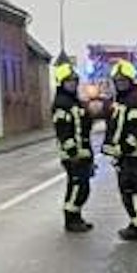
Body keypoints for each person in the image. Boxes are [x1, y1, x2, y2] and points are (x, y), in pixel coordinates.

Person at [103, 60, 137, 241]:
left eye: (124, 81)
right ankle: (136, 222)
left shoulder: (134, 100)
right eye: (118, 81)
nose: (120, 84)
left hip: (131, 156)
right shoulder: (121, 100)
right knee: (128, 191)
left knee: (133, 191)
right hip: (124, 156)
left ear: (131, 81)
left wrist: (124, 148)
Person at [51, 62, 95, 233]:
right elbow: (63, 132)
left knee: (81, 186)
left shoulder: (73, 102)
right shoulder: (61, 103)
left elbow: (84, 126)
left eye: (74, 81)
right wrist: (72, 153)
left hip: (82, 153)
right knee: (78, 186)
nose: (73, 84)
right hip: (73, 156)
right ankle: (71, 220)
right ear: (61, 83)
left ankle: (76, 217)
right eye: (69, 81)